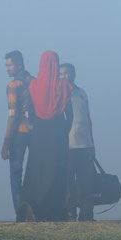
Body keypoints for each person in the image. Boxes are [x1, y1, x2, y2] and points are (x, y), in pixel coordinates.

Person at [18, 51, 74, 222]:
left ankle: (33, 207)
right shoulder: (63, 87)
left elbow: (29, 112)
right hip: (57, 134)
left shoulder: (33, 86)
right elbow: (69, 115)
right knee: (56, 171)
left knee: (36, 169)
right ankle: (55, 212)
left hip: (38, 135)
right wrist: (63, 131)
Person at [59, 63, 97, 222]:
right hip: (67, 146)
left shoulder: (81, 93)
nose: (64, 76)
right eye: (61, 74)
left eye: (67, 73)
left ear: (74, 74)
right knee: (67, 182)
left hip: (85, 145)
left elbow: (88, 119)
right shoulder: (58, 95)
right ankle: (70, 214)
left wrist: (92, 143)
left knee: (86, 182)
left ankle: (87, 215)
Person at [0, 50, 33, 220]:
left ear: (19, 64)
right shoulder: (34, 82)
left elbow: (12, 115)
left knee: (15, 174)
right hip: (36, 133)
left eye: (9, 65)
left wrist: (6, 142)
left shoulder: (13, 86)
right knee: (34, 172)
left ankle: (21, 215)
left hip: (19, 133)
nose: (7, 69)